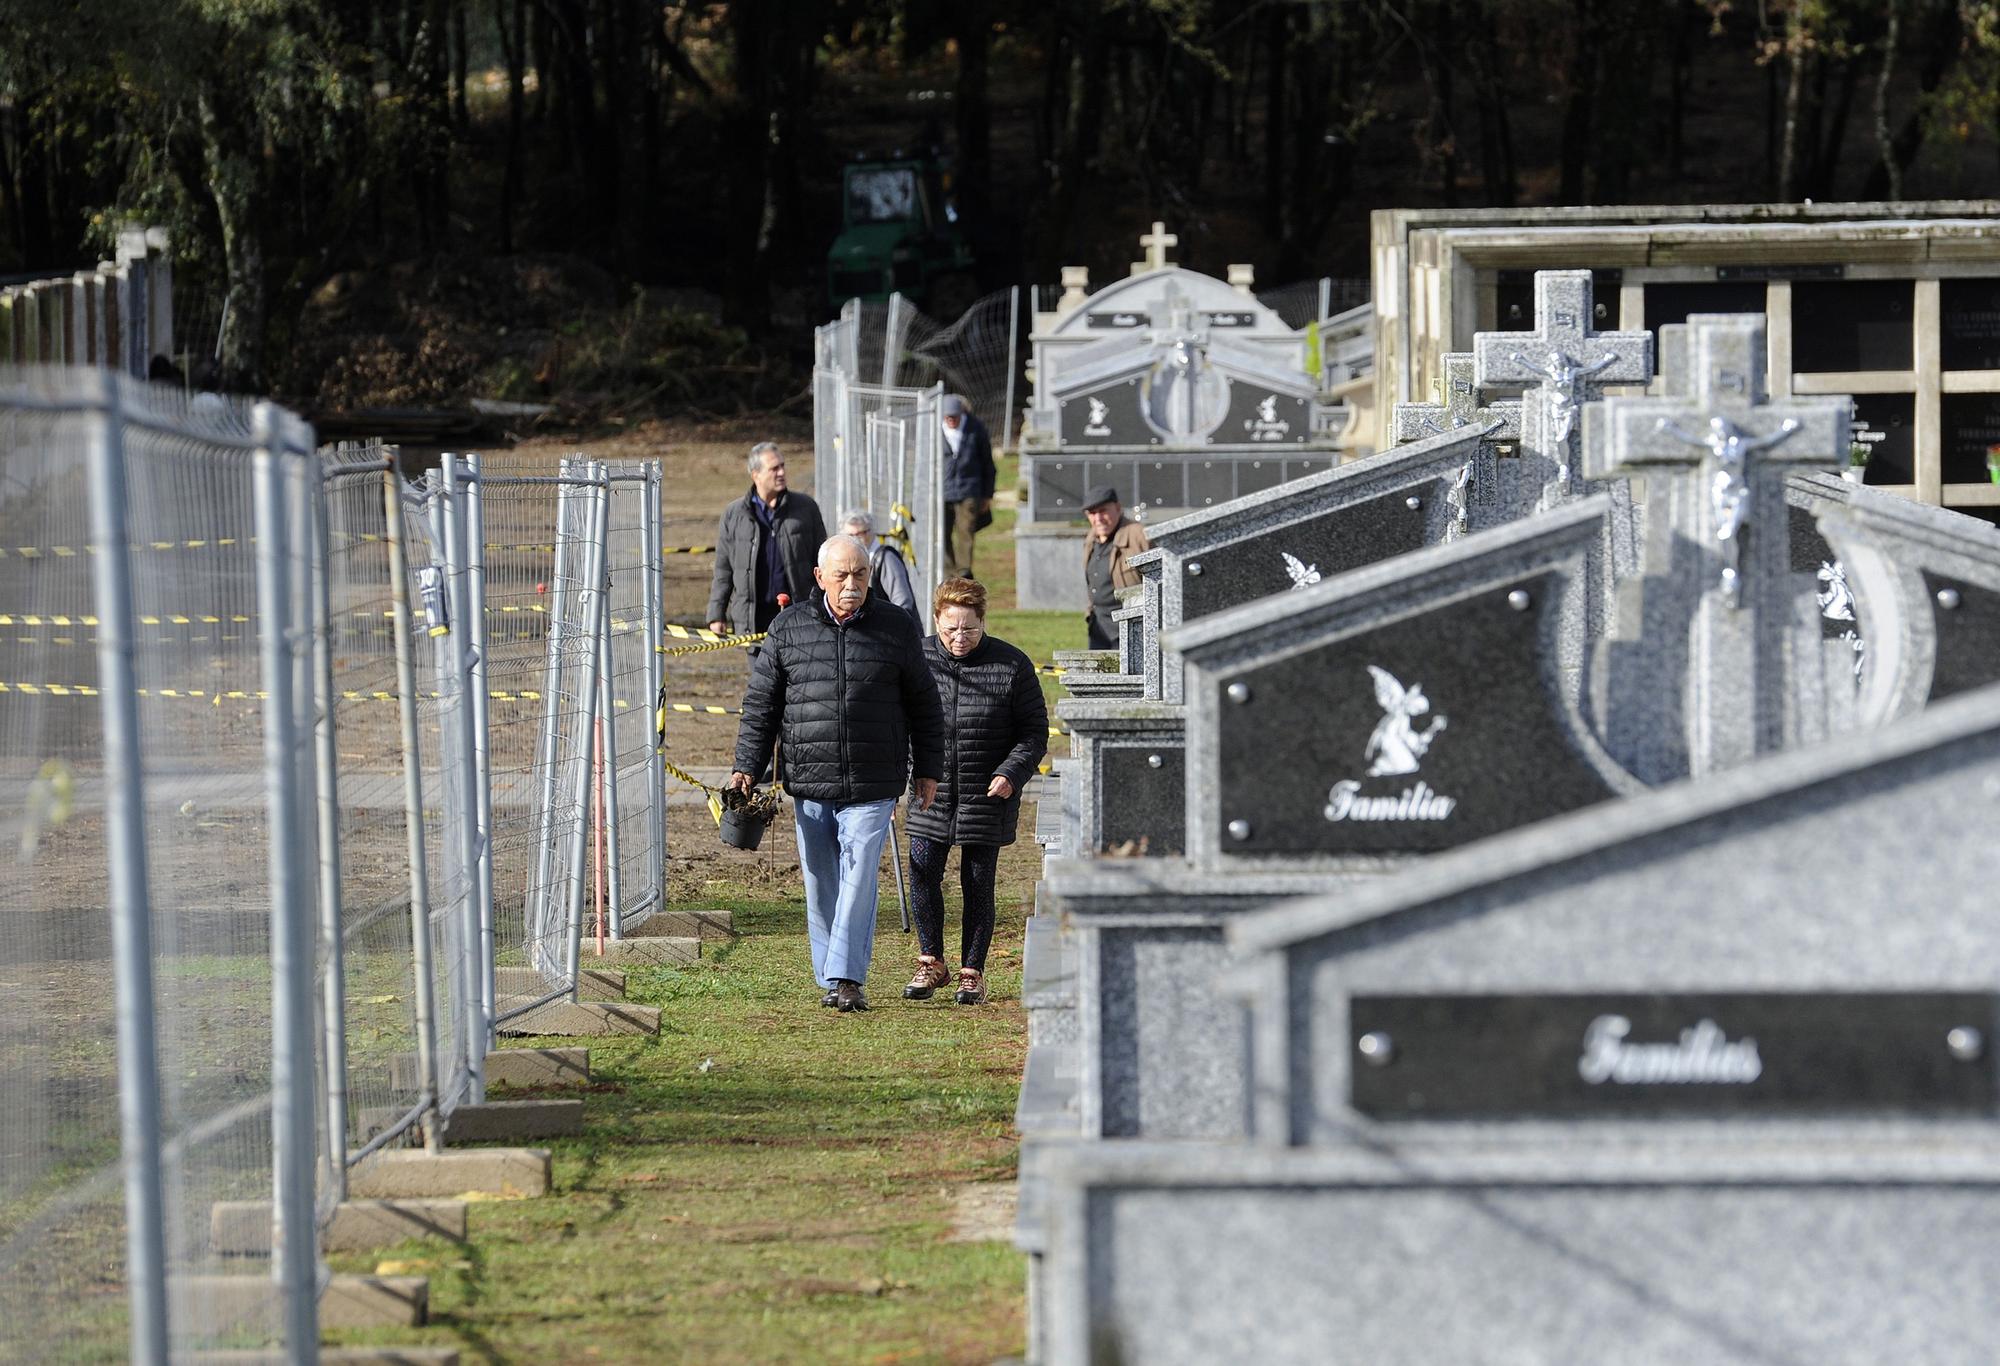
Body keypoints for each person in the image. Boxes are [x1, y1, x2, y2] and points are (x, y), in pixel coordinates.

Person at [730, 534, 944, 1013]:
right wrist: (747, 766)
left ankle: (847, 976)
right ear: (820, 577)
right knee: (822, 880)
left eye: (861, 574)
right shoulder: (788, 628)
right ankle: (831, 973)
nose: (852, 584)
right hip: (810, 780)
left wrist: (928, 769)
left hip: (875, 781)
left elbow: (925, 704)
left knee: (861, 872)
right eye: (842, 575)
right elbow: (761, 704)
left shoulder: (896, 627)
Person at [901, 578, 1048, 1005]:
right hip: (932, 787)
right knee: (924, 872)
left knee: (978, 881)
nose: (959, 639)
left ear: (983, 620)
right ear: (936, 622)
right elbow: (898, 719)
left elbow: (1034, 733)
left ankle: (972, 971)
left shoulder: (1012, 665)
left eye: (969, 629)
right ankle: (931, 961)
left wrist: (1011, 773)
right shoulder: (918, 659)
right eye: (950, 629)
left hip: (988, 792)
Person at [708, 442, 826, 637]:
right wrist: (716, 613)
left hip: (798, 616)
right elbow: (723, 569)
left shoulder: (806, 508)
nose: (781, 472)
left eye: (783, 466)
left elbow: (822, 562)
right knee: (759, 669)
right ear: (756, 475)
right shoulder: (734, 514)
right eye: (774, 468)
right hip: (753, 620)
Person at [1082, 485, 1150, 651]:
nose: (1098, 518)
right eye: (1092, 513)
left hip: (1132, 630)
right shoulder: (1091, 538)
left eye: (1103, 511)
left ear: (1118, 508)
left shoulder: (1138, 535)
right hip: (1099, 629)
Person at [941, 394, 995, 580]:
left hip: (969, 490)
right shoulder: (934, 430)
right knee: (943, 532)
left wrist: (987, 494)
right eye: (948, 417)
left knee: (966, 531)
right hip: (943, 491)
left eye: (954, 417)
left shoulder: (975, 429)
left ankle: (964, 572)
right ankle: (949, 574)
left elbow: (987, 462)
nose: (951, 421)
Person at [840, 508, 917, 619]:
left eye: (861, 533)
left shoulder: (886, 558)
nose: (855, 539)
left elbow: (903, 602)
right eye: (850, 535)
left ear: (871, 532)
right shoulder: (850, 561)